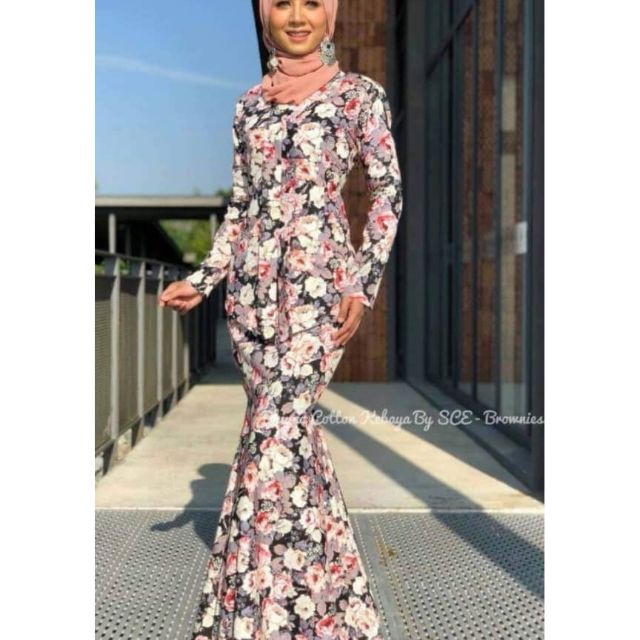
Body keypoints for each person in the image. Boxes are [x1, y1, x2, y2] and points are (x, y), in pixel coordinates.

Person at [159, 1, 402, 637]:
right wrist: (204, 279)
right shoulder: (248, 106)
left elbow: (388, 193)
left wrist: (361, 282)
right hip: (251, 297)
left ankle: (251, 614)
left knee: (274, 434)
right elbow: (241, 207)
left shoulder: (358, 96)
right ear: (265, 15)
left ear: (332, 15)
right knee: (288, 443)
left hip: (320, 291)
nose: (297, 17)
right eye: (282, 3)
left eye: (312, 3)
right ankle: (336, 607)